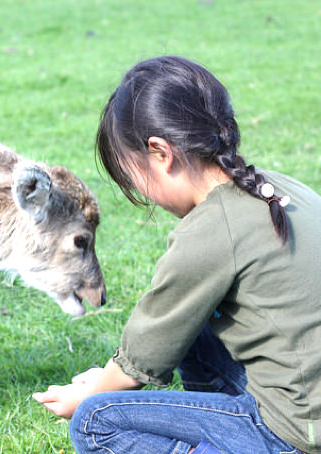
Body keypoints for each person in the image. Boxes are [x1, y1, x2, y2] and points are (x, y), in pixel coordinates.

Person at [32, 56, 321, 454]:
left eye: (130, 173)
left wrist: (90, 394)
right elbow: (161, 337)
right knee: (195, 325)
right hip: (309, 398)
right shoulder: (277, 187)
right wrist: (107, 378)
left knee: (95, 421)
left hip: (298, 430)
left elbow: (141, 357)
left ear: (160, 153)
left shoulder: (210, 230)